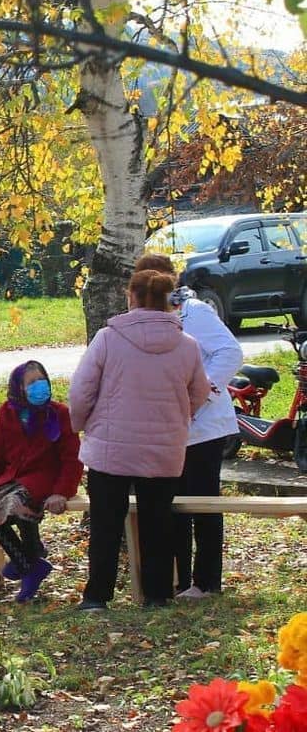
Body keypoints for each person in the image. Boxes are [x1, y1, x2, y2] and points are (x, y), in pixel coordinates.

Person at [69, 270, 211, 611]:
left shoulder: (107, 338)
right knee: (157, 524)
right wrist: (179, 418)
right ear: (167, 299)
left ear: (130, 296)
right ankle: (157, 595)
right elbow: (200, 392)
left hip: (110, 448)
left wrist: (82, 425)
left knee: (106, 523)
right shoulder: (187, 345)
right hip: (164, 449)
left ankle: (97, 596)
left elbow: (81, 390)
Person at [135, 253, 243, 600]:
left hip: (203, 428)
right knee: (173, 504)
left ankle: (207, 581)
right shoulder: (145, 319)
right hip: (167, 429)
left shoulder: (194, 312)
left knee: (203, 502)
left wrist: (200, 393)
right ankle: (180, 580)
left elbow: (230, 352)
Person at [0, 361, 82, 603]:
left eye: (42, 381)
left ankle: (26, 562)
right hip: (12, 478)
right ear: (19, 387)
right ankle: (29, 563)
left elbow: (72, 459)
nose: (39, 387)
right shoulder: (7, 412)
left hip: (43, 480)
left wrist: (61, 491)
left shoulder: (59, 413)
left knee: (14, 503)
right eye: (31, 383)